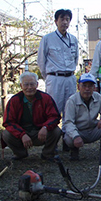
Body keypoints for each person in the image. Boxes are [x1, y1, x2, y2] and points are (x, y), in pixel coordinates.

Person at [37, 9, 79, 152]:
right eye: (62, 19)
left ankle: (68, 141)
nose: (65, 22)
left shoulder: (73, 39)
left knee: (70, 110)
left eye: (67, 19)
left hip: (70, 78)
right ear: (56, 21)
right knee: (53, 111)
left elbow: (76, 59)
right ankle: (52, 143)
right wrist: (49, 77)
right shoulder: (47, 39)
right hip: (54, 78)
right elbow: (41, 61)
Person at [2, 72, 62, 160]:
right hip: (22, 133)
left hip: (40, 132)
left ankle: (47, 154)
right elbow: (8, 122)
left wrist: (45, 127)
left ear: (37, 85)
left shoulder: (46, 98)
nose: (29, 87)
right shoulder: (14, 100)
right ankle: (20, 153)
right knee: (6, 134)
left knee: (56, 131)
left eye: (32, 84)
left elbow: (55, 117)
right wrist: (22, 134)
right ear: (21, 86)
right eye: (26, 85)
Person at [62, 73, 101, 161]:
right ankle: (74, 151)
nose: (87, 89)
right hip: (79, 131)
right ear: (78, 87)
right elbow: (68, 122)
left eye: (90, 86)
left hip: (94, 129)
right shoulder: (72, 100)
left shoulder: (98, 97)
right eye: (84, 86)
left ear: (94, 87)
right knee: (68, 137)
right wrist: (75, 136)